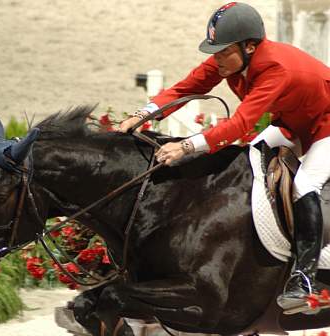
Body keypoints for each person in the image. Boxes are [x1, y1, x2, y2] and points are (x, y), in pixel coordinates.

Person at [119, 2, 330, 313]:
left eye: (221, 51)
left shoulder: (276, 68)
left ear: (249, 47)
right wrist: (139, 116)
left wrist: (186, 147)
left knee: (303, 185)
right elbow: (183, 89)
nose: (214, 58)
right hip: (293, 124)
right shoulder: (228, 61)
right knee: (245, 163)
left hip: (326, 126)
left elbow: (240, 124)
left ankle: (305, 278)